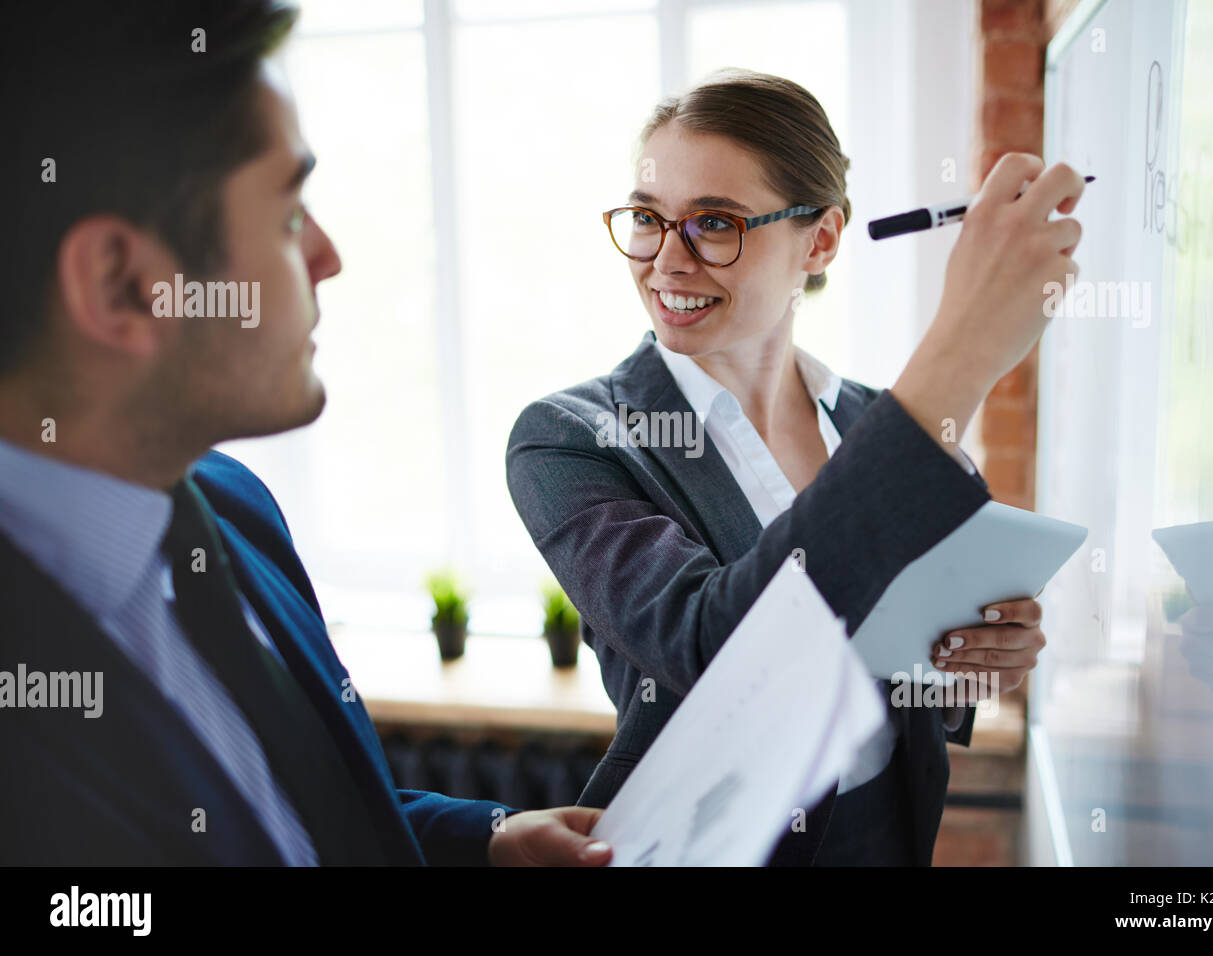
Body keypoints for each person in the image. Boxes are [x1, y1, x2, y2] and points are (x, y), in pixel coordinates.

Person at [0, 0, 611, 867]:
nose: (327, 254)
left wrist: (485, 845)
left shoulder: (232, 508)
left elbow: (290, 810)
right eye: (289, 215)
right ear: (122, 286)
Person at [507, 70, 1084, 865]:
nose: (666, 261)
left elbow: (912, 673)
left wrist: (967, 665)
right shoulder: (572, 438)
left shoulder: (876, 423)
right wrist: (961, 353)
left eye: (714, 222)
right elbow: (714, 650)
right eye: (648, 218)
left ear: (819, 240)